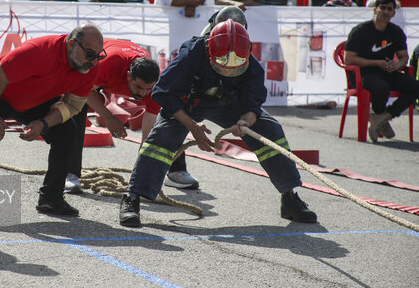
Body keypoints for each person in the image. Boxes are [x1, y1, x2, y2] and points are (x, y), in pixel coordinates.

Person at [119, 19, 318, 227]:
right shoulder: (191, 53)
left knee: (270, 128)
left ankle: (289, 198)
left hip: (229, 104)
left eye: (235, 68)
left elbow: (254, 104)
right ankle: (133, 198)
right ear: (211, 50)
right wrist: (192, 126)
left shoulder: (252, 65)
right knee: (161, 137)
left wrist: (245, 122)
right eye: (222, 65)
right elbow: (162, 92)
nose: (228, 71)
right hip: (189, 104)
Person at [0, 24, 105, 222]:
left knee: (67, 131)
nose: (94, 61)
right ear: (71, 45)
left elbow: (72, 106)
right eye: (90, 54)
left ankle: (50, 199)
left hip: (34, 98)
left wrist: (43, 123)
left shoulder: (89, 68)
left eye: (99, 56)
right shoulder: (39, 51)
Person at [66, 39, 199, 193]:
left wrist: (144, 165)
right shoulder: (107, 65)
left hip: (123, 61)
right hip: (108, 63)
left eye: (147, 89)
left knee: (171, 116)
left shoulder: (157, 87)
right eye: (139, 87)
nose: (142, 93)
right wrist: (109, 118)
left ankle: (176, 170)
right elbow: (83, 89)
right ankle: (69, 173)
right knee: (76, 106)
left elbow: (149, 130)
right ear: (129, 76)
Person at [344, 0, 419, 142]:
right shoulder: (360, 31)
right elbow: (349, 59)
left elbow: (404, 57)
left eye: (389, 9)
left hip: (388, 71)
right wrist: (376, 63)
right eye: (382, 8)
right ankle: (380, 119)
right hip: (365, 74)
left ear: (393, 13)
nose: (385, 12)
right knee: (382, 87)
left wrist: (397, 64)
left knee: (415, 86)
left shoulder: (395, 31)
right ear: (375, 10)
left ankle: (383, 117)